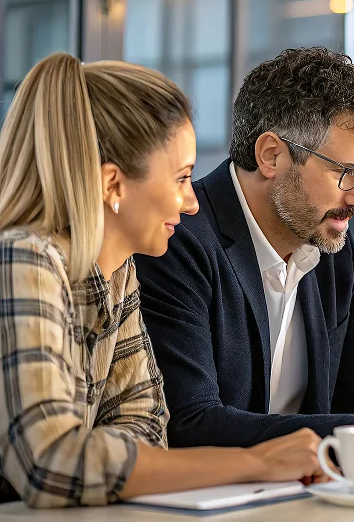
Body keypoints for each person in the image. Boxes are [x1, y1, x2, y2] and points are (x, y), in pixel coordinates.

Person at [0, 53, 326, 509]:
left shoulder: (118, 274)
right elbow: (51, 462)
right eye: (181, 178)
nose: (192, 203)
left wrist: (102, 458)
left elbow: (149, 428)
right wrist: (258, 462)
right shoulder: (25, 260)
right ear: (113, 185)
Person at [135, 47, 354, 454]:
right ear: (271, 155)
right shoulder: (176, 243)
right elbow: (191, 423)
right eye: (347, 173)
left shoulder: (330, 246)